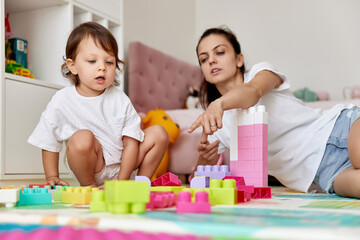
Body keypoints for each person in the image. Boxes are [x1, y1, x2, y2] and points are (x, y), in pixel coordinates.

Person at [188, 26, 360, 198]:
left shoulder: (261, 72)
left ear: (239, 59)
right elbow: (198, 178)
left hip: (340, 128)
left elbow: (253, 92)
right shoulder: (219, 122)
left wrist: (218, 104)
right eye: (204, 59)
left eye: (219, 52)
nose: (211, 61)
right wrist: (205, 158)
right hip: (324, 172)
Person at [28, 22, 168, 187]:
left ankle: (139, 184)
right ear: (73, 66)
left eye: (109, 62)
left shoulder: (119, 98)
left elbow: (131, 143)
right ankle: (90, 187)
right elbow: (48, 138)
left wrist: (122, 180)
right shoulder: (62, 100)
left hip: (126, 166)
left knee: (159, 132)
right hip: (94, 168)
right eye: (92, 61)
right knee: (81, 138)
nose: (102, 67)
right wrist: (51, 175)